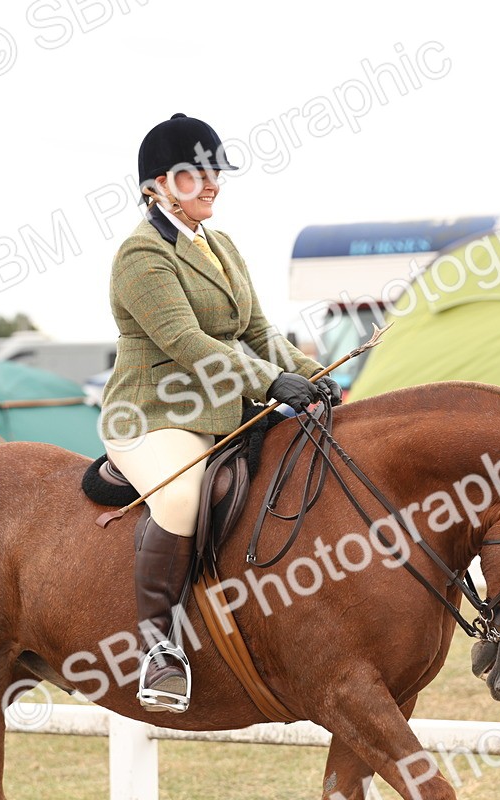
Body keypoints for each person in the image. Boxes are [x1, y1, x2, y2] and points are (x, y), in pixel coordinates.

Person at [101, 113, 342, 713]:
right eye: (195, 174)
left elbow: (258, 330)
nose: (211, 183)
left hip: (227, 410)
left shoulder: (220, 244)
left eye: (214, 173)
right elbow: (188, 344)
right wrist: (271, 383)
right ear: (156, 184)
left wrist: (311, 378)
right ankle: (159, 652)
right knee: (181, 498)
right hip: (153, 416)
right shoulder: (140, 255)